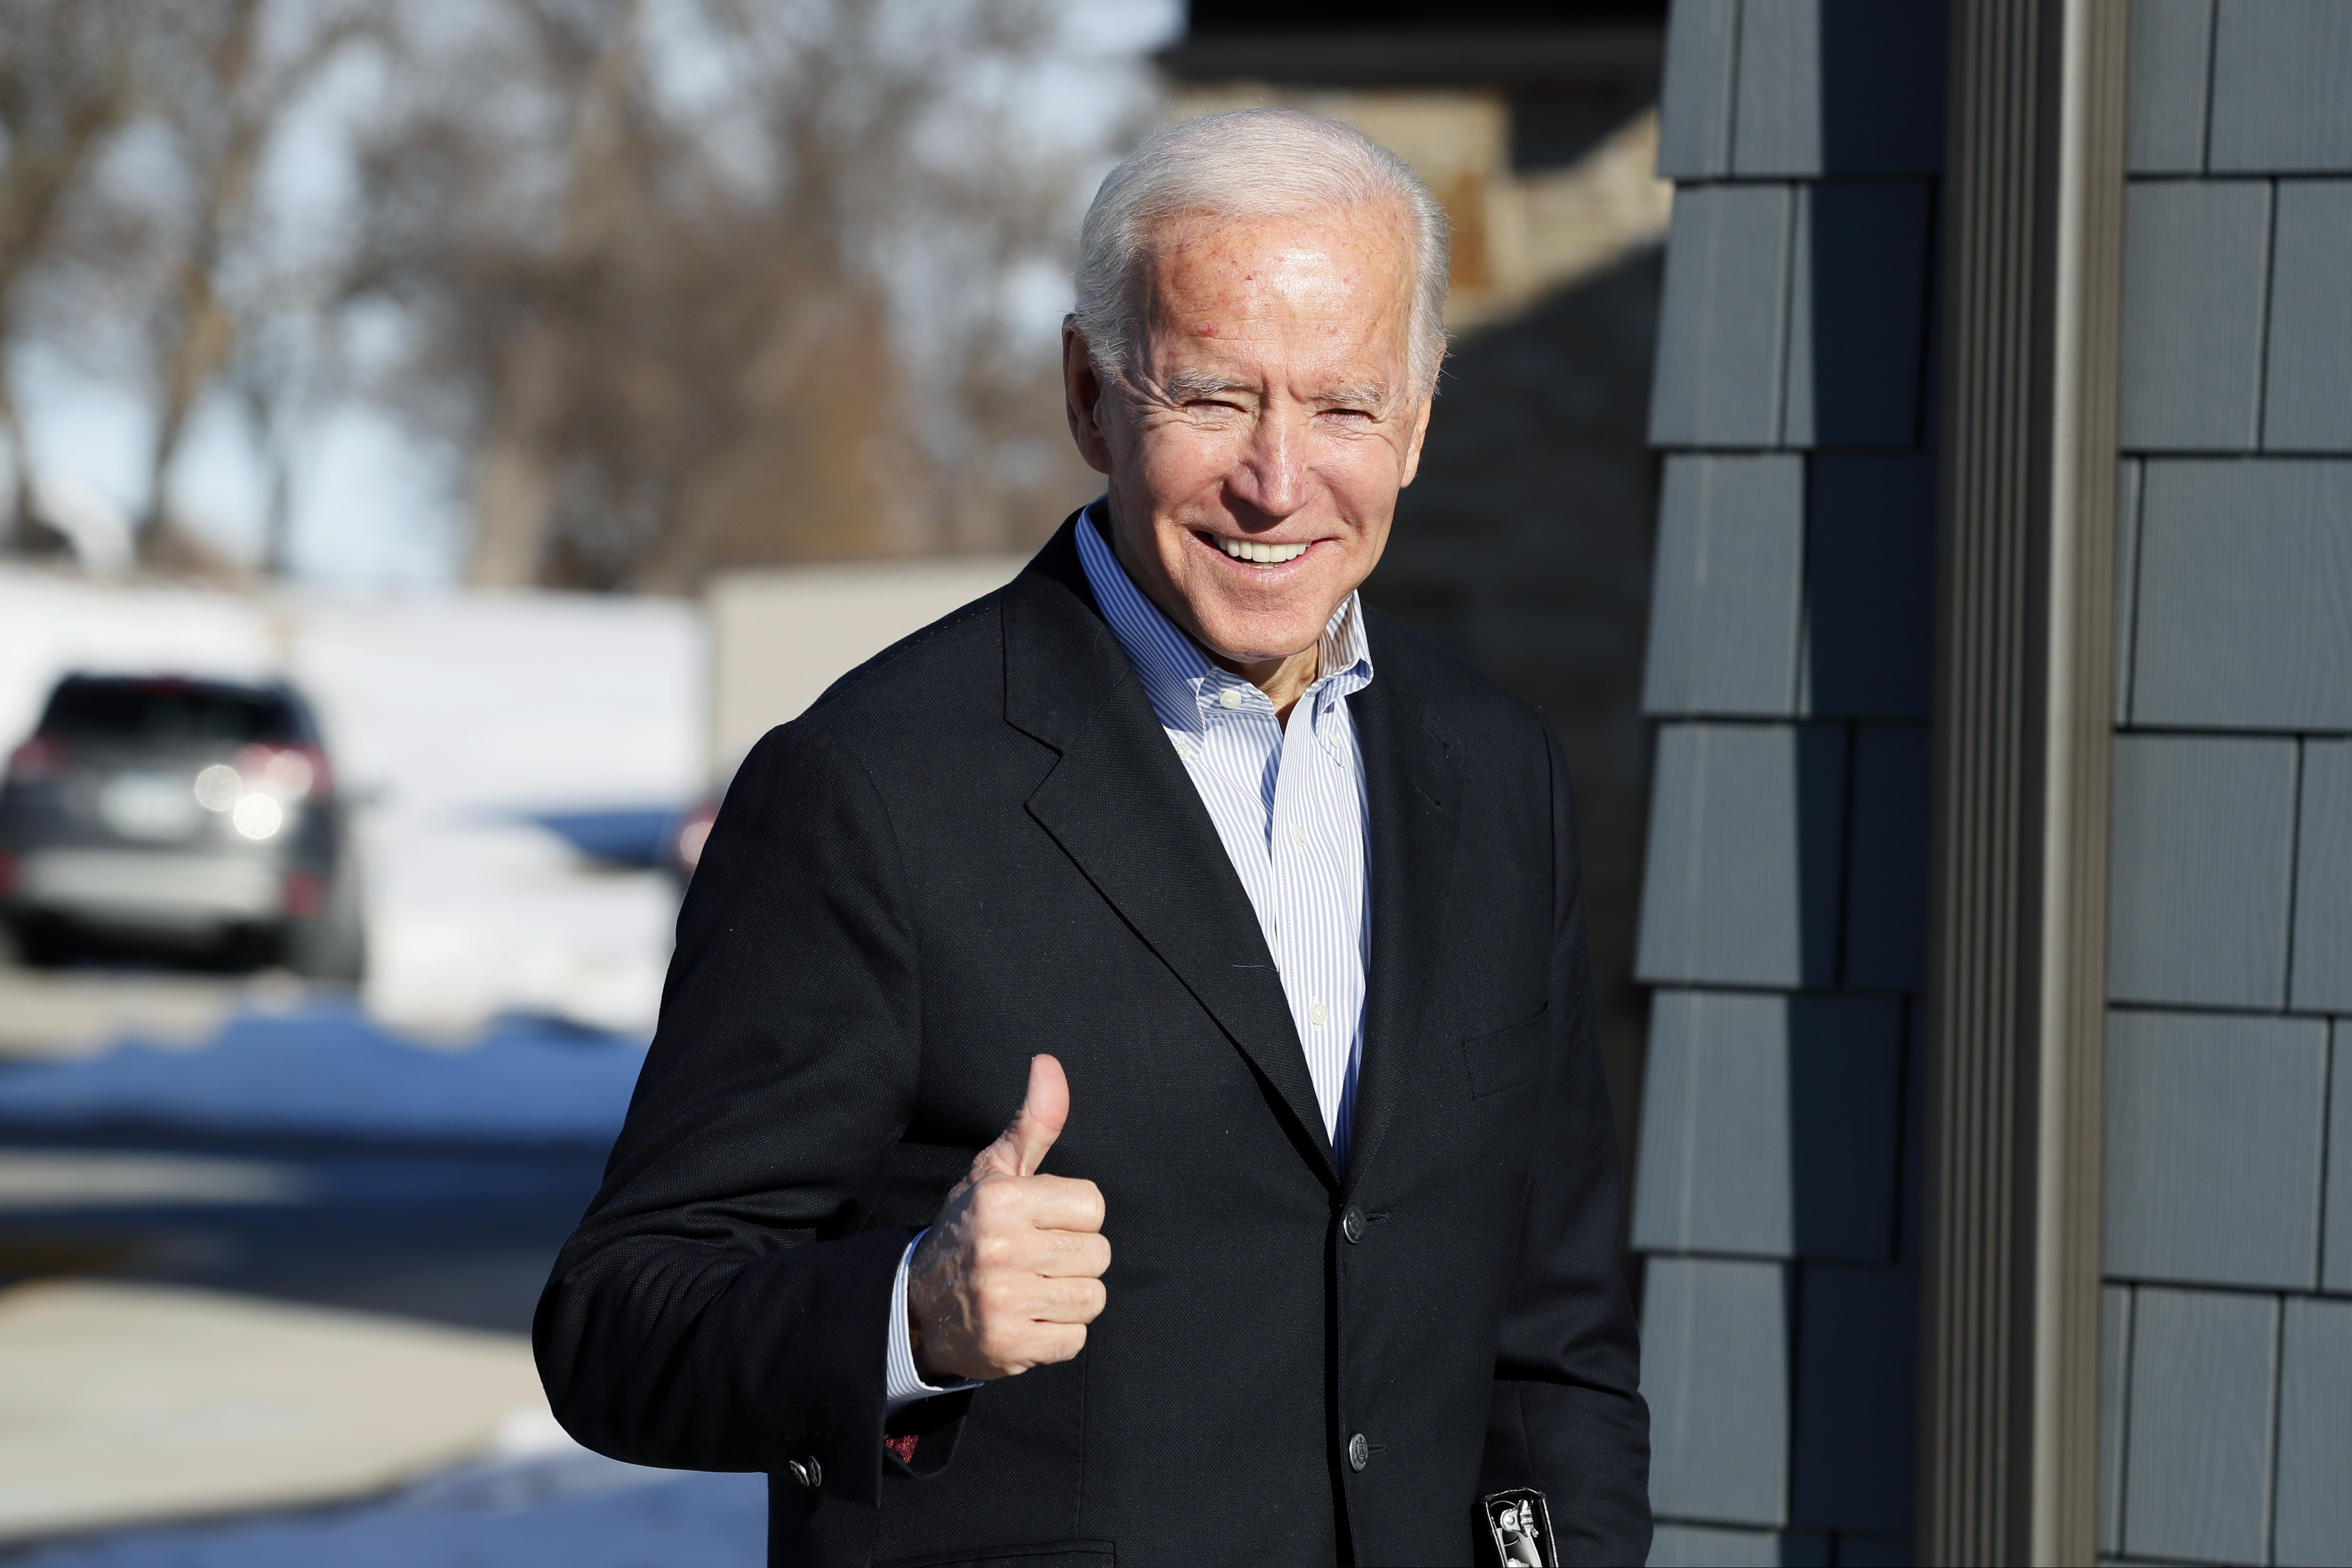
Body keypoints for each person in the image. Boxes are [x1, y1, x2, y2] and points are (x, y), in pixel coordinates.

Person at [535, 107, 1649, 1568]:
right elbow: (618, 1319)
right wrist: (910, 1315)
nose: (1277, 480)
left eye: (1344, 407)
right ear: (1089, 393)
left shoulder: (1495, 774)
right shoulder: (870, 787)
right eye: (1213, 398)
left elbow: (1556, 1329)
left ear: (1421, 419)